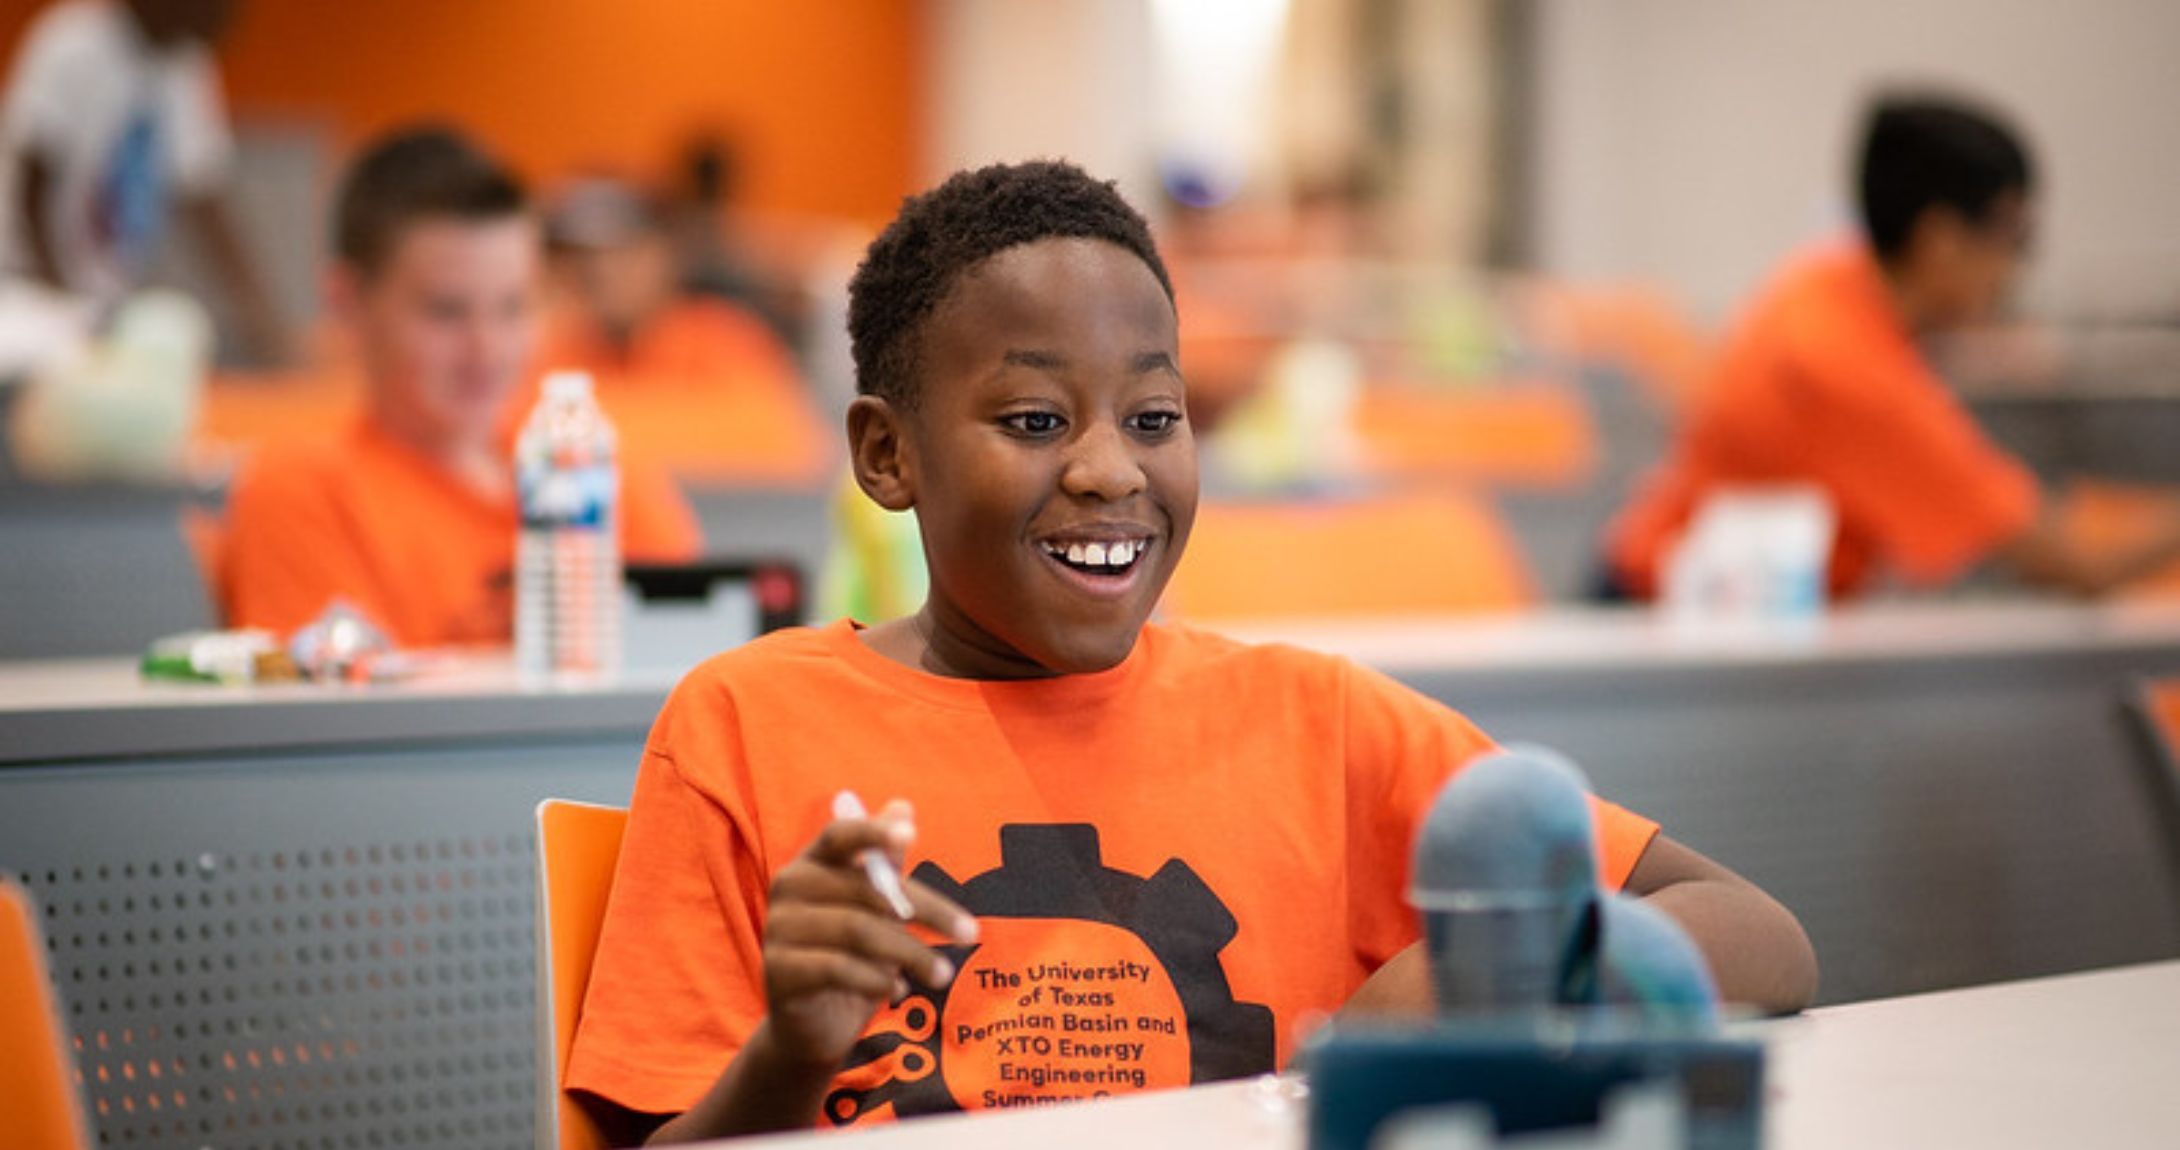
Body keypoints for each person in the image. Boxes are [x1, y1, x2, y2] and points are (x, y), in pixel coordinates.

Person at [565, 161, 1816, 1145]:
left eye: (1154, 417)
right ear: (887, 454)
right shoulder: (748, 722)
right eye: (1033, 419)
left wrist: (1447, 987)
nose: (1111, 468)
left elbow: (1753, 933)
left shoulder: (1313, 723)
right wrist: (790, 1049)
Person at [1603, 93, 2180, 601]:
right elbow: (2075, 565)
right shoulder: (1848, 372)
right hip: (1668, 639)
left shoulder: (1827, 284)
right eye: (2015, 237)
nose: (2015, 272)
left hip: (1690, 607)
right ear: (1940, 239)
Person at [218, 127, 700, 646]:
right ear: (349, 303)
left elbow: (689, 663)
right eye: (446, 312)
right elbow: (336, 722)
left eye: (514, 307)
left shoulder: (596, 471)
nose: (487, 351)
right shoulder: (305, 491)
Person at [0, 0, 288, 362]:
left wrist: (260, 314)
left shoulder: (185, 65)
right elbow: (31, 189)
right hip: (25, 287)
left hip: (100, 295)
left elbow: (206, 199)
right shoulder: (74, 44)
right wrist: (62, 304)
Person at [538, 174, 799, 394]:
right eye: (580, 256)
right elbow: (513, 423)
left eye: (621, 251)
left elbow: (787, 432)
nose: (598, 270)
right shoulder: (561, 347)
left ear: (663, 253)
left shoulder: (723, 338)